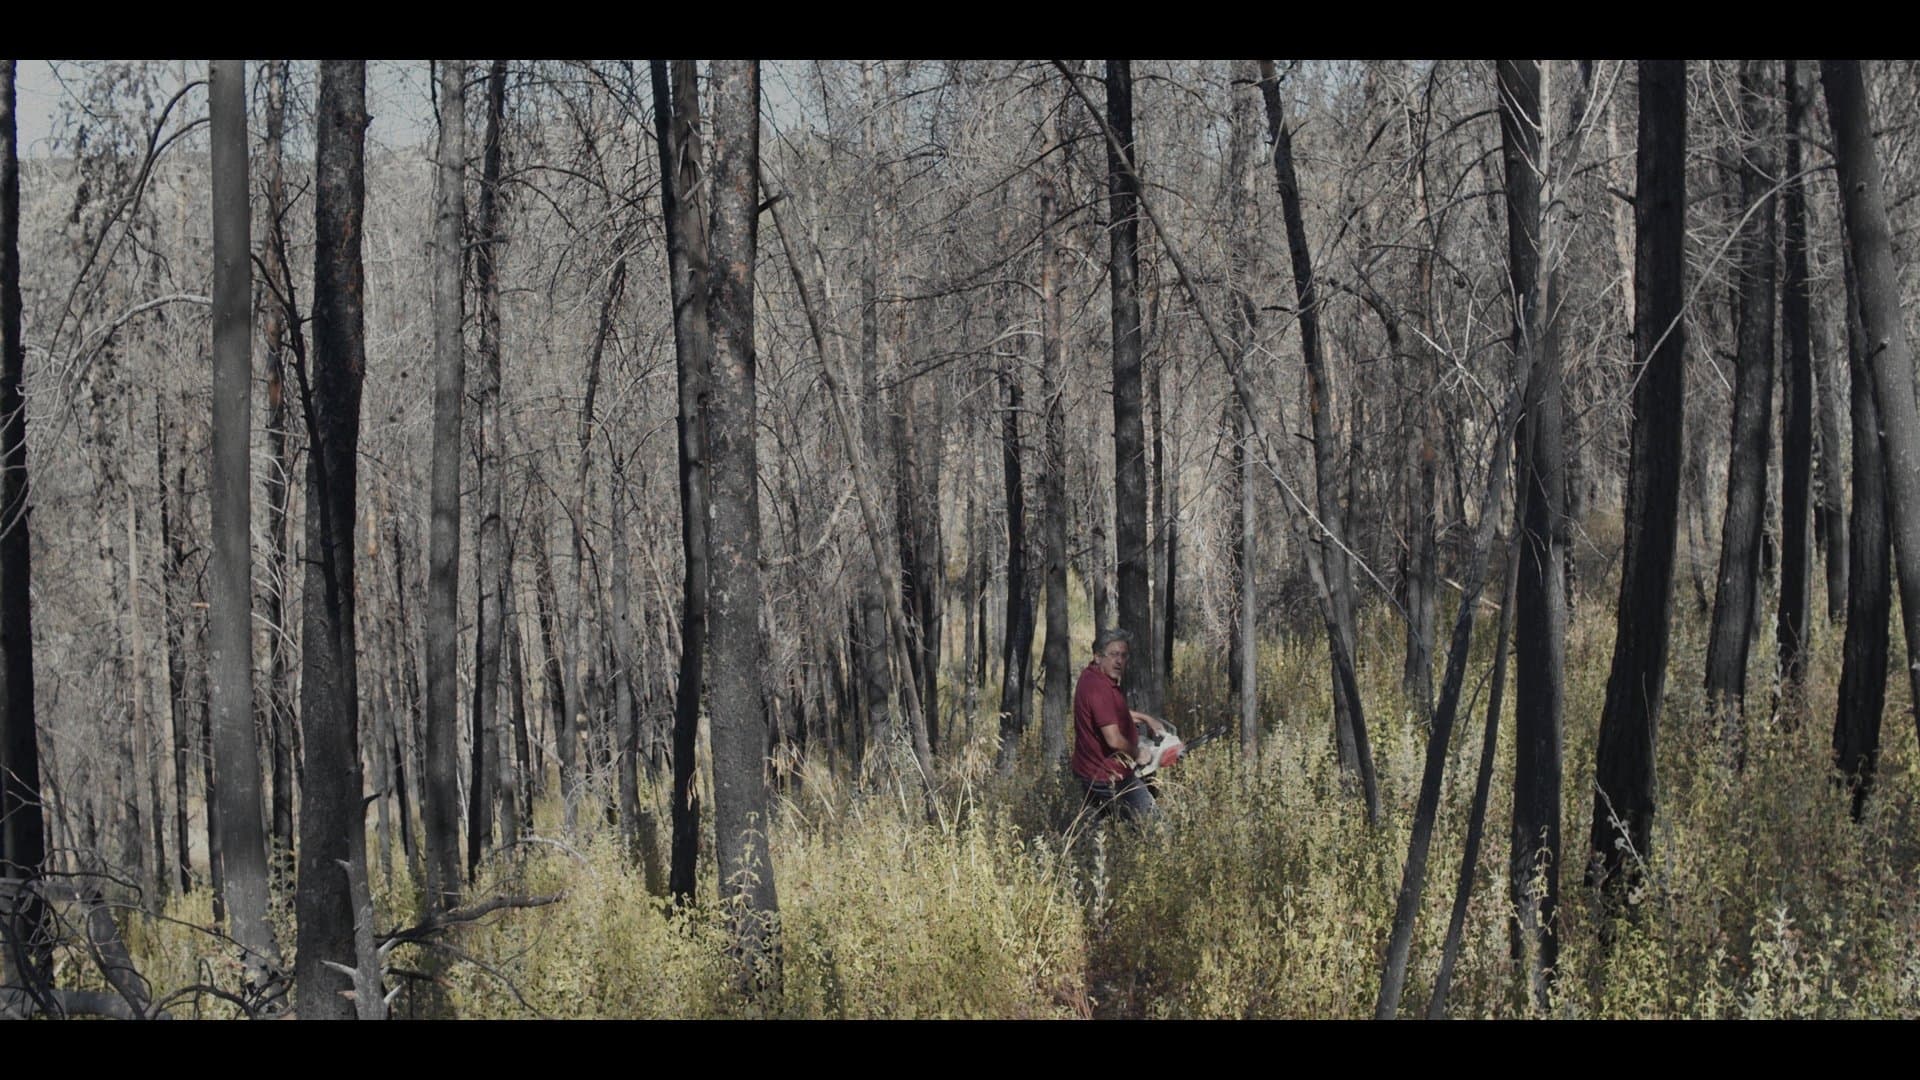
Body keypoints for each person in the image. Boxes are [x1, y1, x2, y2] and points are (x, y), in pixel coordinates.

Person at [1071, 628, 1166, 825]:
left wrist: (1146, 719)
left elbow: (1109, 715)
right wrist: (1137, 753)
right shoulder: (1099, 688)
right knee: (1155, 827)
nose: (1119, 661)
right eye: (1113, 654)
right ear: (1098, 657)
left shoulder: (1092, 678)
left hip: (1091, 771)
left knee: (1104, 830)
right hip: (1108, 777)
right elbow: (1113, 738)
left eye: (1123, 655)